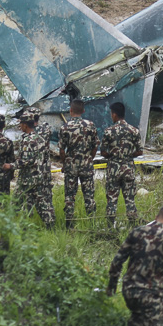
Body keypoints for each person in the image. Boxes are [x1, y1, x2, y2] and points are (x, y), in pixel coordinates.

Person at [106, 205, 163, 326]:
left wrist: (111, 286)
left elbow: (117, 261)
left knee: (136, 321)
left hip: (129, 291)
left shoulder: (137, 232)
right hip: (150, 295)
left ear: (157, 216)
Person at [8, 109, 55, 227]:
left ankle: (8, 226)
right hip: (39, 176)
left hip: (28, 178)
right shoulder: (40, 139)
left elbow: (26, 161)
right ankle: (51, 225)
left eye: (20, 124)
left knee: (15, 202)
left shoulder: (29, 140)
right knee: (41, 202)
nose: (20, 126)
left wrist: (11, 166)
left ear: (25, 125)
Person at [58, 98, 99, 229]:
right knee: (89, 195)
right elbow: (95, 146)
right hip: (87, 164)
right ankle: (92, 223)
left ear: (70, 111)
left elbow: (61, 150)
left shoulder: (65, 127)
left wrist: (65, 163)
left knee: (70, 196)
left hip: (71, 165)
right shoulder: (90, 125)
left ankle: (69, 225)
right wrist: (90, 158)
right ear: (83, 111)